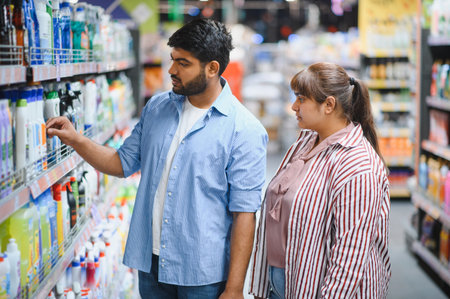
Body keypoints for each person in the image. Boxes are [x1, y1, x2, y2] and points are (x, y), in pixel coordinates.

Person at [47, 18, 268, 298]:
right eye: (173, 59)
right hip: (151, 264)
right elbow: (121, 163)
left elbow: (245, 215)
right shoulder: (157, 108)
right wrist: (76, 139)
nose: (172, 70)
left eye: (183, 63)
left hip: (201, 275)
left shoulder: (244, 130)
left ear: (212, 68)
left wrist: (235, 288)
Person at [249, 62, 391, 299]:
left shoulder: (358, 165)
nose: (293, 106)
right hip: (285, 280)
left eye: (301, 99)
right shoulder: (306, 141)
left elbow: (350, 255)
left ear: (329, 105)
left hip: (318, 287)